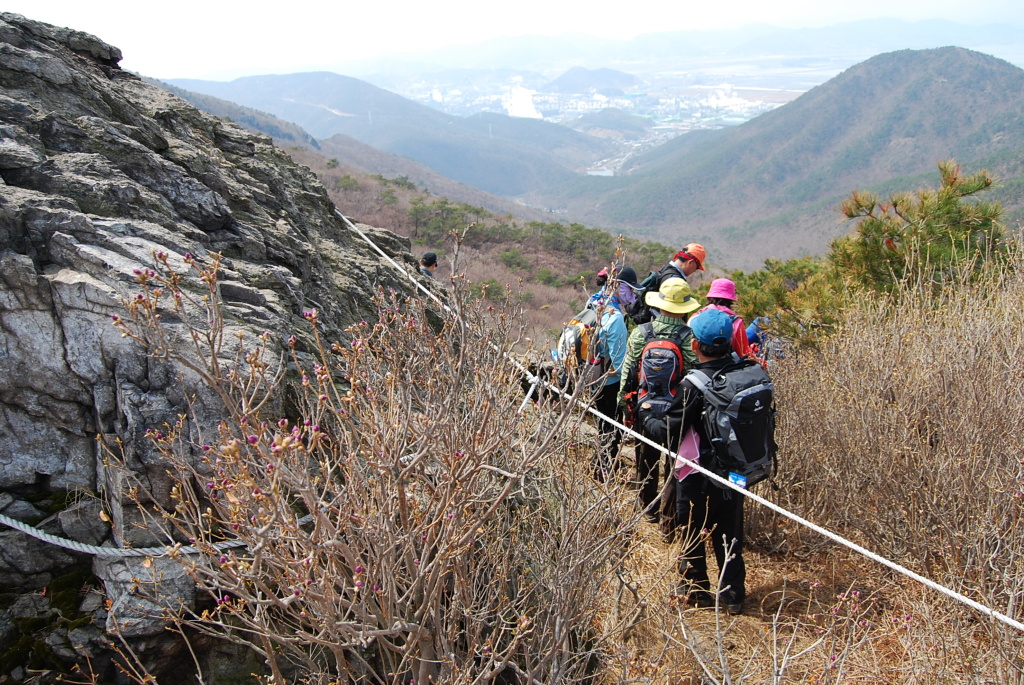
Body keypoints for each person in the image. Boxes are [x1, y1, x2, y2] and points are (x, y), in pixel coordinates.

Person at [671, 308, 748, 614]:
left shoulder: (695, 384)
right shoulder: (745, 372)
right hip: (737, 471)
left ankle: (696, 589)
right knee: (730, 530)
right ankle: (732, 595)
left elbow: (670, 428)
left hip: (699, 473)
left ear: (694, 345)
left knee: (692, 526)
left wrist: (649, 413)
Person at [618, 277, 701, 521]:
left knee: (646, 456)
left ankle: (647, 509)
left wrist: (625, 407)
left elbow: (628, 372)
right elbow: (695, 373)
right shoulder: (689, 336)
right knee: (674, 461)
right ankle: (669, 516)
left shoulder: (641, 333)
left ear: (660, 303)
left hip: (645, 405)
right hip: (678, 409)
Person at [590, 297, 628, 480]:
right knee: (611, 425)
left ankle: (598, 464)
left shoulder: (595, 305)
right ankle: (603, 469)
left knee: (601, 423)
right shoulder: (616, 317)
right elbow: (618, 359)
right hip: (609, 381)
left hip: (591, 375)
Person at [691, 278, 753, 359]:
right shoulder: (736, 323)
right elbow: (743, 354)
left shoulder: (695, 317)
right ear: (731, 300)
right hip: (726, 368)